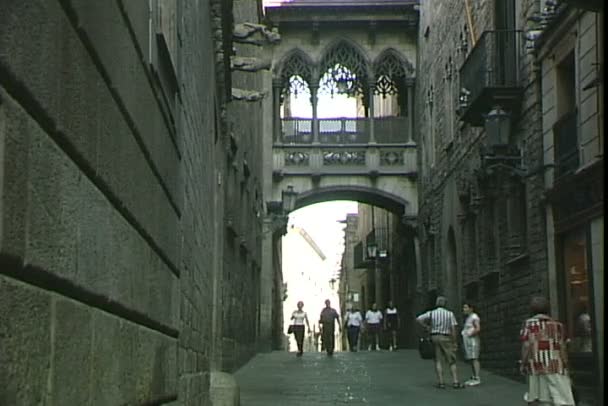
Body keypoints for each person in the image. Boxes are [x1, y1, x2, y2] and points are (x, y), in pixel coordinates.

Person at [519, 296, 575, 406]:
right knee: (562, 398)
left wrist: (523, 363)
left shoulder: (528, 325)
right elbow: (562, 347)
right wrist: (566, 364)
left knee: (540, 398)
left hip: (535, 365)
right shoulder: (558, 326)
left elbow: (526, 345)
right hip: (555, 365)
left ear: (532, 310)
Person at [416, 296, 464, 389]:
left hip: (434, 336)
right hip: (445, 337)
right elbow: (453, 328)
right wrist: (454, 341)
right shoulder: (449, 314)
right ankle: (455, 381)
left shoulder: (432, 313)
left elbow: (419, 319)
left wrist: (427, 326)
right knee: (451, 360)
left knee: (438, 360)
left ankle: (441, 382)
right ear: (445, 304)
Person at [461, 301, 481, 386]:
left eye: (466, 307)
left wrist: (470, 334)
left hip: (473, 341)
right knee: (470, 358)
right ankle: (473, 376)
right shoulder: (468, 318)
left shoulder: (474, 317)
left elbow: (478, 328)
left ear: (471, 308)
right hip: (468, 341)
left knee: (474, 358)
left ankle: (477, 377)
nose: (464, 309)